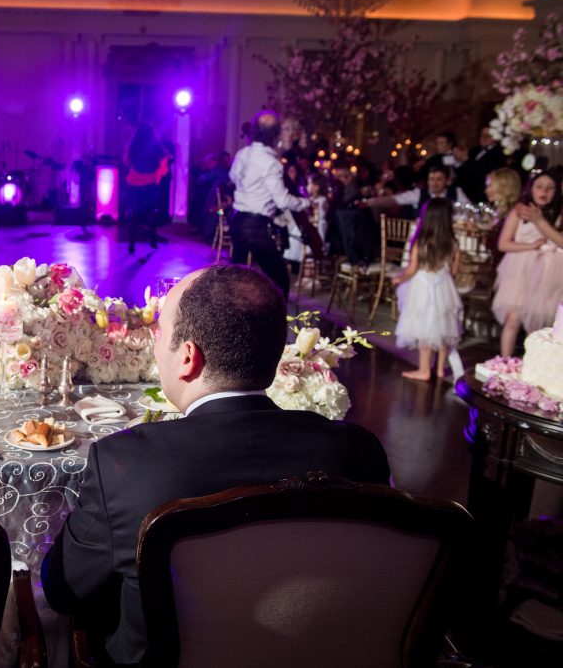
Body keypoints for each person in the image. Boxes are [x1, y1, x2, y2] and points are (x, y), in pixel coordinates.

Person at [41, 264, 391, 666]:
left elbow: (63, 589)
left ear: (188, 357)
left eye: (161, 334)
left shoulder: (125, 465)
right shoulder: (358, 450)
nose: (156, 345)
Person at [229, 110, 310, 297]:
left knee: (235, 278)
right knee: (280, 279)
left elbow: (233, 177)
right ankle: (275, 322)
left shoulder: (243, 153)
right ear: (275, 134)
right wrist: (305, 203)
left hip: (237, 220)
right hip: (254, 226)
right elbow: (282, 200)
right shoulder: (270, 162)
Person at [492, 172, 563, 357]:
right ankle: (505, 361)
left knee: (538, 323)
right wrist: (530, 246)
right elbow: (503, 243)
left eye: (550, 188)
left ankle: (532, 364)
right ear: (530, 188)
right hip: (520, 270)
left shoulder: (558, 214)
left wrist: (539, 221)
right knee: (513, 318)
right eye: (539, 186)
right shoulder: (519, 212)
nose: (544, 192)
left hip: (549, 272)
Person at [391, 199, 463, 380]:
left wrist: (400, 278)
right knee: (443, 327)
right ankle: (439, 369)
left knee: (425, 329)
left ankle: (424, 370)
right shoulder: (453, 243)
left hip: (422, 287)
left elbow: (411, 269)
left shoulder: (420, 244)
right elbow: (454, 272)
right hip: (444, 286)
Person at [124, 122, 168, 254]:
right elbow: (164, 161)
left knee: (134, 213)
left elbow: (126, 161)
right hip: (150, 182)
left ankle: (131, 243)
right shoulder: (156, 146)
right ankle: (152, 240)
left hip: (134, 182)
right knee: (152, 212)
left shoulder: (133, 145)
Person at [364, 163, 471, 218]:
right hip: (423, 236)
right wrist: (370, 202)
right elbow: (396, 199)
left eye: (439, 179)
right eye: (431, 179)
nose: (434, 183)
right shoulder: (420, 193)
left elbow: (470, 211)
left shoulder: (456, 192)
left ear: (447, 181)